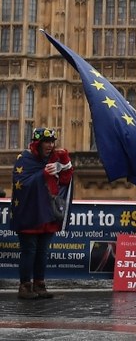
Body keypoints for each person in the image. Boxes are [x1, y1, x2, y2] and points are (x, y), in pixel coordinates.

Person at [11, 127, 73, 300]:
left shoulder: (53, 159)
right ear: (37, 144)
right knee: (29, 251)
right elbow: (22, 184)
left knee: (43, 252)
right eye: (46, 142)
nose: (50, 145)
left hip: (48, 214)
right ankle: (24, 286)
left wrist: (65, 163)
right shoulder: (25, 159)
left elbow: (65, 181)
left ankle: (39, 284)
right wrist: (43, 174)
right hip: (30, 215)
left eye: (52, 142)